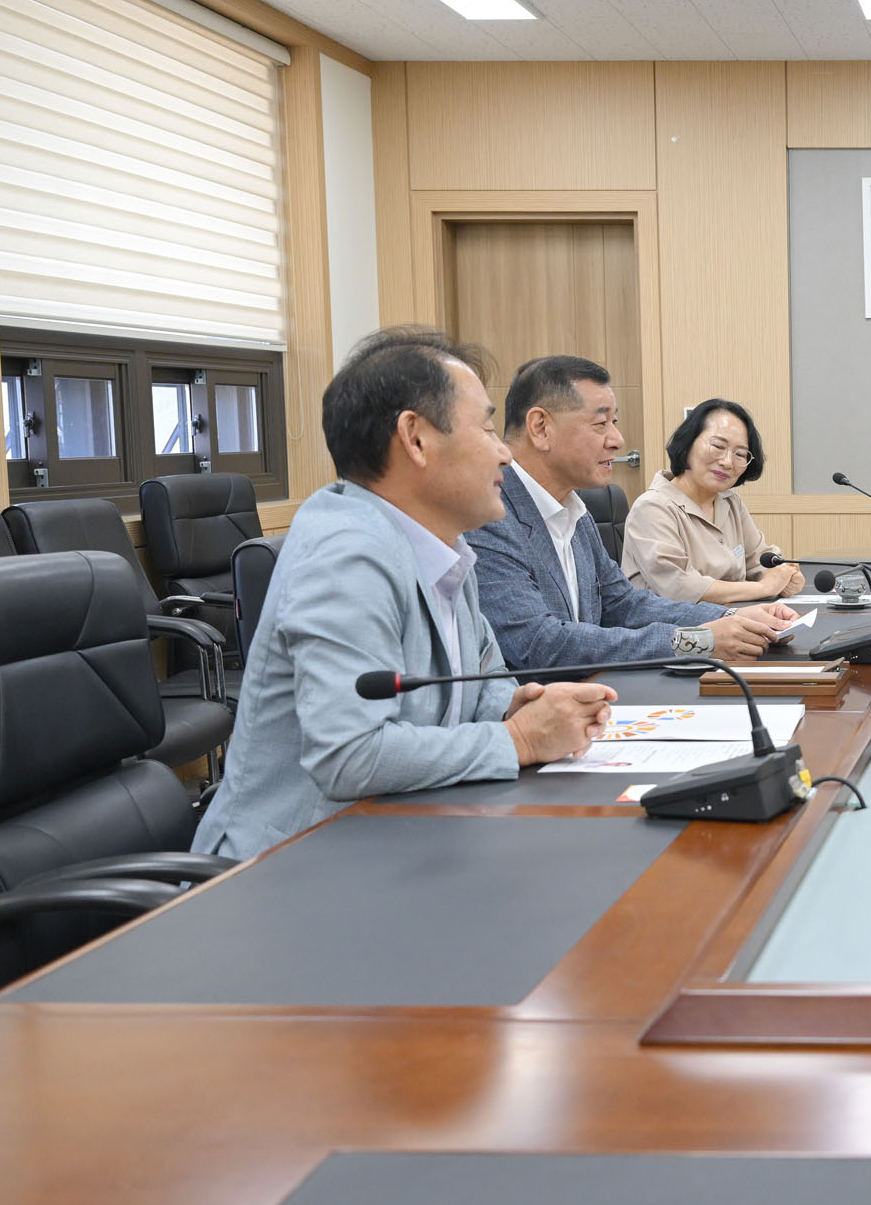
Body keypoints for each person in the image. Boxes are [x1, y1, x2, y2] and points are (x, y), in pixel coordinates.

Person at [194, 328, 616, 861]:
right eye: (487, 429)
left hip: (398, 835)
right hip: (291, 864)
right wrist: (522, 739)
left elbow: (479, 684)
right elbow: (349, 755)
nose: (505, 454)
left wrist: (521, 703)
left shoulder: (446, 544)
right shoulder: (346, 554)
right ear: (415, 439)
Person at [467, 355, 797, 672]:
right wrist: (697, 641)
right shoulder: (488, 516)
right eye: (600, 424)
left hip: (600, 689)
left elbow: (623, 604)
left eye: (614, 423)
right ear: (541, 427)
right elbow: (539, 644)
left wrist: (730, 619)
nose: (617, 440)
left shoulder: (574, 511)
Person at [621, 398, 804, 604]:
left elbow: (761, 560)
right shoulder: (652, 508)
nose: (727, 462)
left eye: (740, 454)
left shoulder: (731, 502)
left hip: (734, 615)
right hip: (674, 623)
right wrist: (764, 587)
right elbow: (680, 587)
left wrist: (785, 576)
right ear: (688, 443)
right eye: (718, 446)